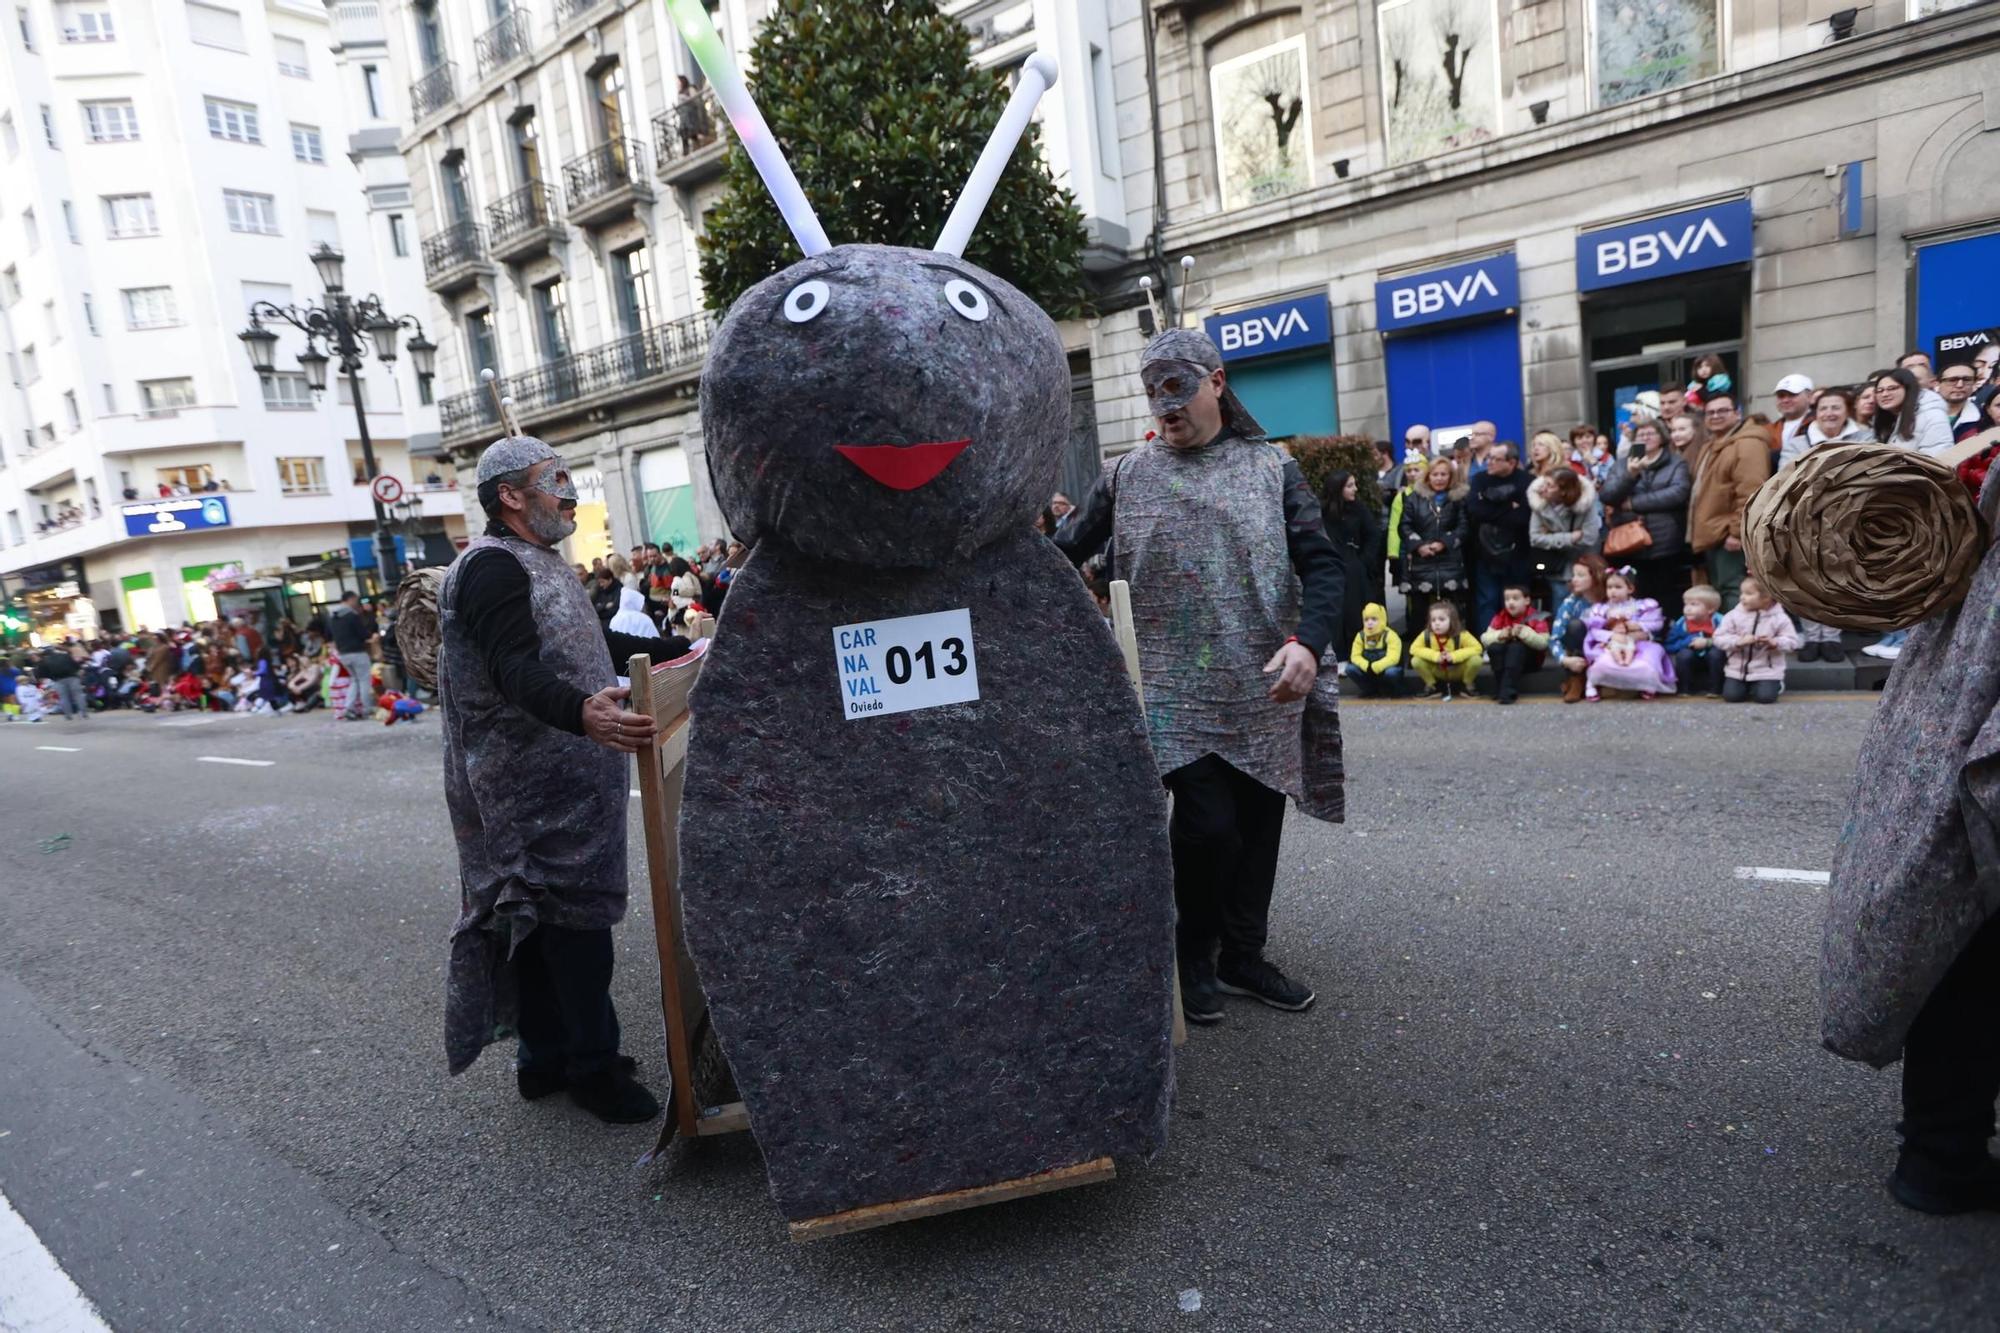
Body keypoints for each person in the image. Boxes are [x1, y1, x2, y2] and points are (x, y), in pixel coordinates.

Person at [1058, 326, 1342, 1026]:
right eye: (1152, 392)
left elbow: (1326, 565)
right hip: (1167, 686)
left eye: (1177, 386)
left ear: (1217, 380)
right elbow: (1060, 556)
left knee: (1256, 825)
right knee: (1207, 826)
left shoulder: (1272, 468)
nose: (1164, 405)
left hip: (1262, 682)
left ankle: (1243, 954)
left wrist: (1309, 642)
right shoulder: (1128, 475)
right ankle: (1193, 949)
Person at [439, 437, 692, 1123]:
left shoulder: (542, 561)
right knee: (570, 922)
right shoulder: (491, 569)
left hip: (571, 780)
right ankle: (591, 1066)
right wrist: (582, 711)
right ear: (511, 496)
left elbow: (592, 645)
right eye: (557, 481)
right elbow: (515, 668)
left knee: (544, 921)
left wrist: (689, 646)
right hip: (526, 788)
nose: (573, 493)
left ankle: (545, 1057)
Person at [1688, 392, 1771, 610]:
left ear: (1737, 413)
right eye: (1711, 412)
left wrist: (1737, 532)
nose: (1716, 416)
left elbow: (1751, 491)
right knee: (1720, 589)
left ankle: (1739, 642)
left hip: (1729, 534)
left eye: (1722, 411)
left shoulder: (1748, 444)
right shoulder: (1713, 444)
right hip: (1714, 532)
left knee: (1734, 589)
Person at [1599, 420, 1692, 603]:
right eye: (1641, 434)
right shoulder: (1622, 464)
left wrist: (1633, 503)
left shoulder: (1675, 462)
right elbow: (1608, 495)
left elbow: (1677, 494)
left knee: (1664, 595)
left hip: (1664, 542)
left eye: (1651, 433)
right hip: (1627, 543)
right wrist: (1630, 475)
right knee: (1632, 594)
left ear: (1662, 438)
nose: (1646, 437)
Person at [1398, 456, 1468, 639]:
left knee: (1452, 611)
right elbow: (1404, 526)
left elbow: (1463, 527)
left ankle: (1456, 649)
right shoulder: (1414, 498)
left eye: (1444, 474)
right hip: (1421, 564)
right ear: (1428, 476)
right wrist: (1419, 545)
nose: (1439, 478)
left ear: (1450, 476)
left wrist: (1445, 542)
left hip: (1450, 563)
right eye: (1435, 474)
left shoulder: (1458, 499)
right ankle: (1421, 652)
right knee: (1420, 613)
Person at [1466, 442, 1532, 632]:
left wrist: (1492, 510)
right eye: (1489, 458)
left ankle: (1519, 639)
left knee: (1516, 599)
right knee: (1487, 599)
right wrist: (1507, 507)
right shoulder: (1479, 480)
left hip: (1517, 552)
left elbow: (1523, 517)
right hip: (1485, 552)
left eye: (1496, 459)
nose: (1490, 462)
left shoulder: (1526, 481)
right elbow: (1475, 510)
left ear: (1511, 463)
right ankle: (1490, 642)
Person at [1582, 567, 1674, 699]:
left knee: (1650, 656)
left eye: (1618, 587)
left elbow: (1656, 623)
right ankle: (1592, 684)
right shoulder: (1601, 609)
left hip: (1639, 642)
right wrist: (1611, 635)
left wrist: (1638, 626)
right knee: (1602, 660)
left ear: (1630, 589)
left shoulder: (1642, 606)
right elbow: (1594, 630)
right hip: (1611, 642)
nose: (1612, 591)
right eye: (1609, 587)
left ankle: (1649, 685)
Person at [1320, 470, 1382, 649]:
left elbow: (1372, 535)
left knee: (1357, 612)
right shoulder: (1322, 512)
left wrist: (1363, 561)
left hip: (1355, 568)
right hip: (1332, 569)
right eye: (1349, 485)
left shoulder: (1359, 509)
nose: (1355, 489)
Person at [1713, 575, 1799, 704]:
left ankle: (1775, 684)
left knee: (1765, 698)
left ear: (1766, 598)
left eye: (1748, 594)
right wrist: (1738, 642)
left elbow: (1793, 643)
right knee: (1732, 697)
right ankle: (1749, 686)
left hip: (1767, 671)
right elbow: (1718, 638)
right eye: (1742, 592)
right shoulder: (1733, 615)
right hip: (1737, 670)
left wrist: (1775, 642)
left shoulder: (1780, 618)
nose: (1742, 597)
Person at [1527, 464, 1600, 607]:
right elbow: (1535, 538)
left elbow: (1590, 537)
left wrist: (1551, 536)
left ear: (1563, 491)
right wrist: (1570, 538)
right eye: (1544, 483)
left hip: (1583, 564)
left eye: (1550, 486)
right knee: (1560, 607)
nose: (1543, 489)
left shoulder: (1585, 503)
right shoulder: (1540, 504)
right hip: (1557, 567)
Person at [1550, 553, 1610, 705]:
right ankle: (1577, 679)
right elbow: (1555, 638)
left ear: (1596, 576)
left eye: (1580, 575)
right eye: (1574, 575)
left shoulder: (1611, 598)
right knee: (1575, 626)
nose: (1574, 579)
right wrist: (1565, 659)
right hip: (1580, 655)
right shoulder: (1571, 602)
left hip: (1606, 650)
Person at [1480, 584, 1549, 705]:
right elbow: (1485, 638)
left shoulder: (1536, 616)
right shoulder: (1501, 616)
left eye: (1515, 598)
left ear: (1527, 600)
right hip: (1507, 660)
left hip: (1530, 660)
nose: (1510, 603)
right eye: (1507, 599)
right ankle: (1502, 687)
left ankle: (1507, 690)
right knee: (1495, 647)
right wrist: (1501, 635)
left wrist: (1524, 633)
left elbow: (1543, 643)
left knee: (1516, 647)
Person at [1870, 367, 1955, 455]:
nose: (1885, 394)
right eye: (1879, 391)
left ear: (1908, 389)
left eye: (1892, 388)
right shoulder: (1884, 418)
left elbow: (1937, 457)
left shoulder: (1932, 415)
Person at [1408, 600, 1482, 700]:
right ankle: (1432, 686)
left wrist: (1454, 656)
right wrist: (1435, 656)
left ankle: (1467, 685)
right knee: (1416, 661)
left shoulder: (1461, 634)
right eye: (1433, 620)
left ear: (1452, 621)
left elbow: (1477, 648)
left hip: (1457, 669)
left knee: (1476, 660)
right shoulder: (1426, 635)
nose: (1437, 623)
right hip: (1437, 669)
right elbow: (1414, 649)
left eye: (1442, 620)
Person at [1666, 585, 1726, 697]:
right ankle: (1684, 689)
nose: (1687, 608)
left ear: (1710, 609)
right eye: (1686, 604)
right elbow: (1669, 645)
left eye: (1694, 604)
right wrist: (1687, 642)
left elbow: (1728, 639)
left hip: (1711, 654)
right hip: (1692, 655)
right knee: (1684, 655)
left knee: (1716, 654)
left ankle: (1716, 689)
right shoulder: (1681, 623)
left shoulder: (1721, 621)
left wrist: (1708, 642)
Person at [326, 590, 376, 721]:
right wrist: (371, 636)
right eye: (355, 600)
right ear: (350, 599)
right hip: (357, 652)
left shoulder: (333, 616)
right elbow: (362, 634)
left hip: (343, 654)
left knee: (354, 680)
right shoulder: (351, 615)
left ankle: (349, 708)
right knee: (365, 680)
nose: (356, 603)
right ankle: (367, 709)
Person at [1345, 601, 1405, 699]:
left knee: (1392, 673)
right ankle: (1370, 690)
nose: (1370, 622)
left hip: (1386, 669)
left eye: (1374, 619)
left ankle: (1393, 690)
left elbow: (1394, 658)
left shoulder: (1391, 635)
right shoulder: (1360, 636)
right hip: (1369, 670)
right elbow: (1354, 656)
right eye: (1366, 619)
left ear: (1382, 619)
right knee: (1350, 669)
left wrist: (1376, 667)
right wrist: (1367, 666)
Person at [1770, 373, 1815, 467]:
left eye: (1792, 395)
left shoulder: (1820, 426)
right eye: (1781, 396)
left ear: (1809, 396)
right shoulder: (1767, 430)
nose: (1785, 400)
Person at [35, 644, 86, 721]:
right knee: (78, 696)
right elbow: (75, 664)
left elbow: (41, 674)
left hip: (58, 680)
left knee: (64, 698)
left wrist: (51, 677)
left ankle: (68, 715)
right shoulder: (64, 655)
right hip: (72, 677)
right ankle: (83, 713)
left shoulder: (44, 661)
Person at [1936, 363, 1985, 443]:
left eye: (1967, 380)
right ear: (1937, 384)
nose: (1960, 385)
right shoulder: (1919, 413)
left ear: (1974, 383)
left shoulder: (1984, 418)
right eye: (1952, 380)